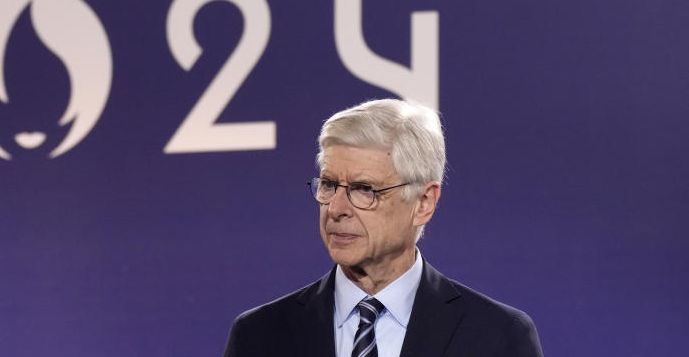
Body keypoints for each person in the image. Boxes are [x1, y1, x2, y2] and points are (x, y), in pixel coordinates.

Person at [223, 98, 543, 357]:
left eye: (364, 189)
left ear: (423, 202)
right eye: (329, 185)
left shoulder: (496, 337)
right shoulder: (260, 336)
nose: (336, 209)